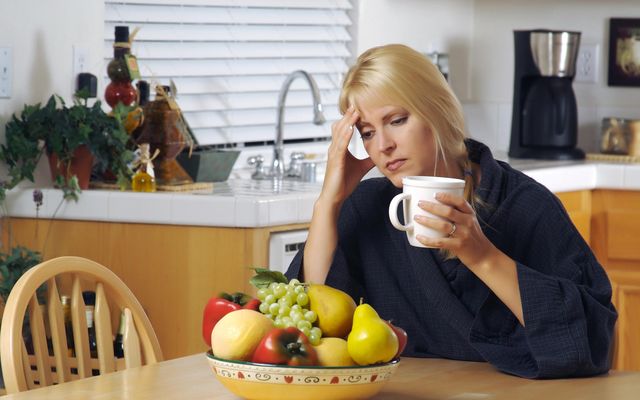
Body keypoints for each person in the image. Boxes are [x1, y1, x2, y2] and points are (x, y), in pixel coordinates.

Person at [285, 44, 616, 379]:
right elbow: (313, 324)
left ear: (437, 110)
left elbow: (592, 342)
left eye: (397, 120)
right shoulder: (367, 207)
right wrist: (328, 202)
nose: (383, 145)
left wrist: (482, 256)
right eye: (367, 133)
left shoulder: (527, 205)